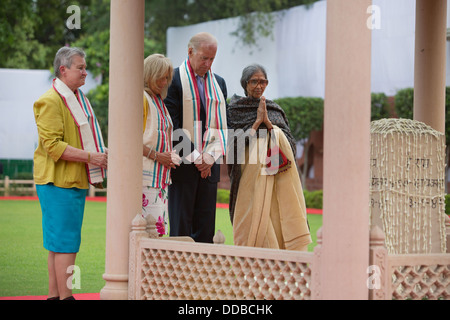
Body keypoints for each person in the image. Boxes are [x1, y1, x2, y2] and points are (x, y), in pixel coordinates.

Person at [33, 47, 108, 300]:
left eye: (85, 67)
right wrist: (93, 157)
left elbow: (85, 141)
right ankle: (67, 297)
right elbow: (53, 146)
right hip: (58, 181)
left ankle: (55, 297)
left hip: (71, 180)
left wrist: (99, 152)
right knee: (66, 244)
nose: (85, 72)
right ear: (63, 70)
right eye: (80, 67)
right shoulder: (50, 100)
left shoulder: (78, 99)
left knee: (58, 244)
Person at [227, 64, 312, 251]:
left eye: (263, 81)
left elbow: (290, 145)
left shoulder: (274, 109)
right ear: (245, 83)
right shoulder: (234, 110)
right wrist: (257, 123)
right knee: (251, 213)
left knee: (274, 214)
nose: (259, 86)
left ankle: (278, 257)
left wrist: (269, 125)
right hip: (248, 176)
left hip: (275, 175)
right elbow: (232, 149)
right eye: (254, 82)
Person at [164, 32, 228, 243]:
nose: (208, 64)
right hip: (183, 167)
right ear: (190, 52)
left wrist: (209, 157)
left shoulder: (219, 83)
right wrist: (197, 157)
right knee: (181, 230)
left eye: (212, 59)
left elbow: (221, 126)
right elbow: (172, 126)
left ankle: (202, 275)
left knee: (205, 230)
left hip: (209, 168)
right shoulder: (172, 79)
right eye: (204, 58)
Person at [141, 54, 181, 236]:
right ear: (149, 74)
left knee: (158, 232)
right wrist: (159, 156)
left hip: (160, 179)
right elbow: (129, 140)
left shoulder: (158, 101)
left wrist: (169, 155)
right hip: (145, 178)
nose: (165, 82)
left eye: (167, 77)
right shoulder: (142, 98)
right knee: (150, 234)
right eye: (161, 77)